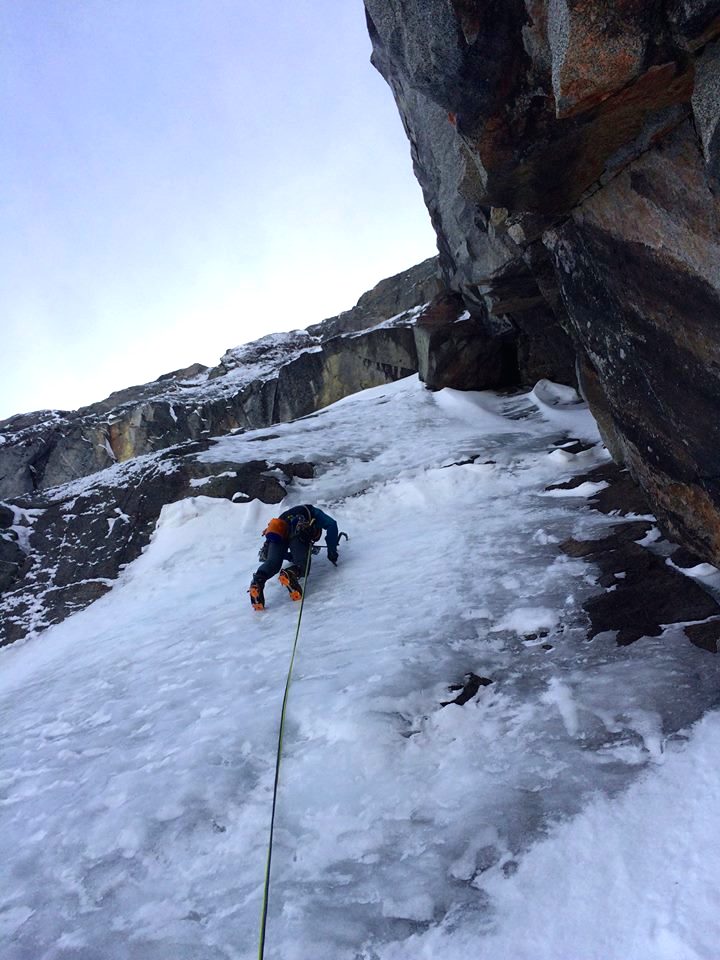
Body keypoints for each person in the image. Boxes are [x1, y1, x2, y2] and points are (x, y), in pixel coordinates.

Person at [249, 504, 339, 611]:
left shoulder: (287, 515)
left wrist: (291, 557)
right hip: (297, 530)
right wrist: (332, 552)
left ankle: (257, 581)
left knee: (273, 563)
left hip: (277, 529)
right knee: (303, 566)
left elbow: (279, 553)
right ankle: (290, 574)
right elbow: (332, 525)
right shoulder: (314, 513)